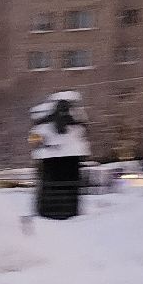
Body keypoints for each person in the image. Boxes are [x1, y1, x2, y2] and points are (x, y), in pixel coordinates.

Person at [29, 92, 90, 220]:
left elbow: (35, 139)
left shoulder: (44, 119)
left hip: (53, 161)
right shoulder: (76, 117)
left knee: (52, 188)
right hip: (67, 161)